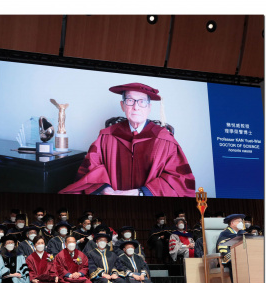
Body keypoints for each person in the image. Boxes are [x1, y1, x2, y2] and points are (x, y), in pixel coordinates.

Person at [59, 82, 196, 197]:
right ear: (122, 105)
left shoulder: (165, 140)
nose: (135, 107)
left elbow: (178, 180)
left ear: (149, 107)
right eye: (130, 101)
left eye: (141, 102)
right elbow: (92, 167)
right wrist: (105, 189)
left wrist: (140, 193)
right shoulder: (107, 135)